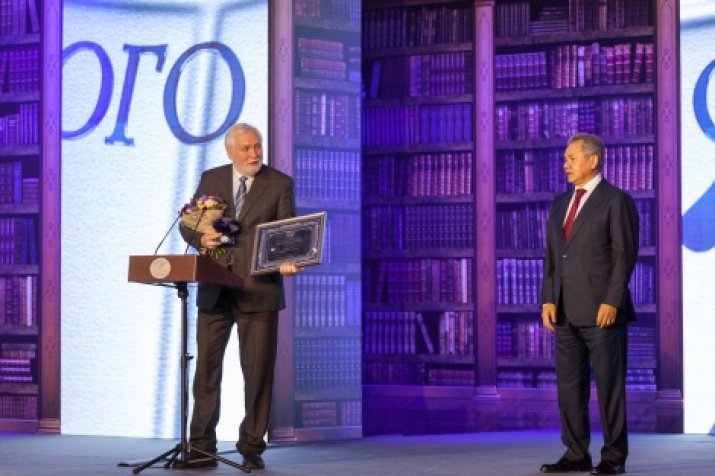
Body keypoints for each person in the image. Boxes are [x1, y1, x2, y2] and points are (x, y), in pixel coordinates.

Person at [180, 123, 298, 470]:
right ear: (230, 151)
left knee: (257, 374)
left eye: (258, 146)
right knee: (205, 372)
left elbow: (289, 233)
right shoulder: (211, 179)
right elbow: (189, 223)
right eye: (246, 148)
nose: (254, 154)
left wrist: (290, 260)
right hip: (215, 290)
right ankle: (201, 446)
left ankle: (251, 446)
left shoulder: (279, 184)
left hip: (259, 291)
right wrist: (201, 240)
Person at [540, 133, 639, 475]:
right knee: (569, 387)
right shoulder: (559, 203)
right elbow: (554, 258)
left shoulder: (616, 201)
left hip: (602, 313)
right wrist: (548, 299)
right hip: (565, 312)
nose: (565, 164)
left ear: (592, 160)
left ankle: (613, 459)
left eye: (571, 158)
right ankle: (575, 453)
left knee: (610, 387)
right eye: (566, 158)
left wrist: (613, 300)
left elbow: (624, 255)